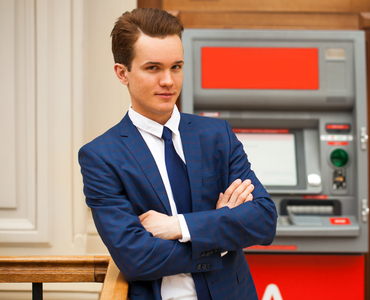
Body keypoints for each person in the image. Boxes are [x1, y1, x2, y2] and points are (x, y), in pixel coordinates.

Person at [78, 7, 277, 300]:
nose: (169, 81)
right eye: (153, 68)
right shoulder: (101, 156)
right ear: (123, 73)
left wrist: (178, 226)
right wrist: (220, 235)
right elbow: (136, 259)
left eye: (176, 66)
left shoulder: (216, 136)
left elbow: (263, 220)